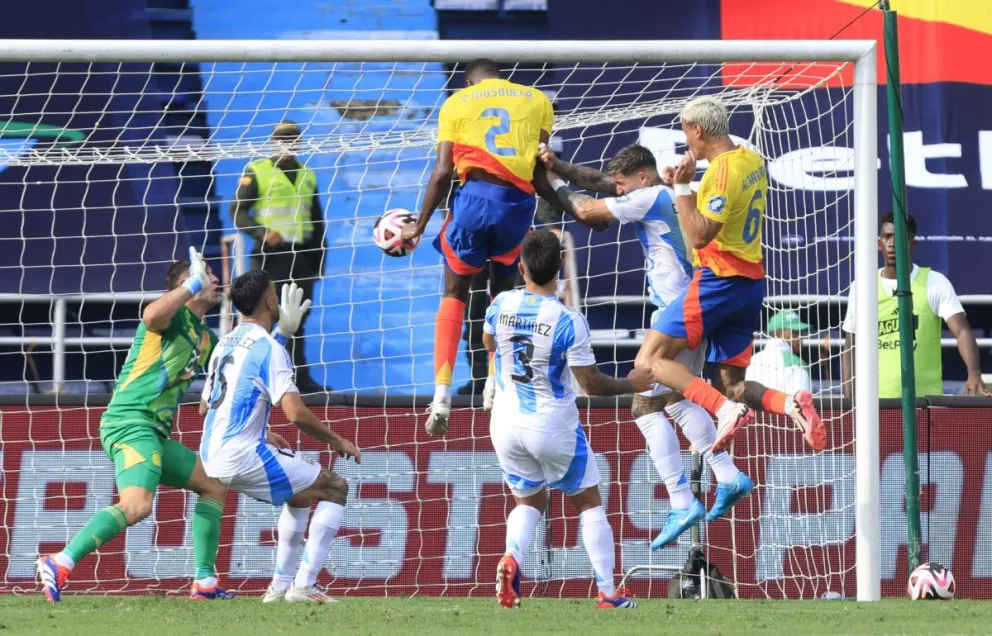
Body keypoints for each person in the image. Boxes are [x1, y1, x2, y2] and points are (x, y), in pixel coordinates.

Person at [540, 143, 752, 550]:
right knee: (673, 399)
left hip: (679, 308)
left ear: (641, 177)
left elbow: (587, 211)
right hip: (700, 301)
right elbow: (601, 183)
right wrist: (560, 165)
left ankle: (682, 499)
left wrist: (550, 180)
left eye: (622, 184)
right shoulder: (671, 193)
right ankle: (727, 475)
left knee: (644, 400)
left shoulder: (651, 195)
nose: (618, 192)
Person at [37, 247, 232, 602]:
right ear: (185, 284)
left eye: (213, 276)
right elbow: (150, 314)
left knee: (214, 486)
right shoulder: (169, 319)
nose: (215, 279)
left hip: (154, 432)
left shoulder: (206, 339)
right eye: (207, 275)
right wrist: (192, 285)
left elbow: (234, 373)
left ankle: (204, 583)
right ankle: (60, 560)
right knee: (138, 505)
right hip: (130, 421)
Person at [633, 96, 826, 456]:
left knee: (649, 362)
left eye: (686, 133)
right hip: (749, 285)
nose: (686, 141)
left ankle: (724, 412)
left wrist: (683, 188)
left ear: (698, 130)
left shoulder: (721, 172)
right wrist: (685, 186)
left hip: (717, 282)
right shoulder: (751, 158)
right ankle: (789, 404)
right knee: (732, 386)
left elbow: (699, 234)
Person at [480, 230, 651, 609]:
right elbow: (591, 384)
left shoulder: (500, 304)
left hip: (505, 423)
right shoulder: (568, 320)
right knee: (589, 502)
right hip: (551, 424)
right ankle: (607, 592)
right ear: (560, 265)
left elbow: (489, 343)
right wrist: (630, 382)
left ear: (520, 266)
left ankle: (511, 557)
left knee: (527, 501)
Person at [401, 58, 558, 435]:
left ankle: (441, 392)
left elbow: (442, 173)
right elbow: (541, 169)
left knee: (454, 293)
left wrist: (419, 225)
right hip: (517, 206)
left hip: (473, 200)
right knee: (502, 293)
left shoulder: (458, 102)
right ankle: (493, 381)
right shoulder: (537, 100)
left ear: (470, 81)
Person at [199, 271, 361, 604]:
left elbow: (207, 406)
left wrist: (262, 430)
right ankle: (305, 585)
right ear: (271, 302)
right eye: (274, 293)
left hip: (212, 452)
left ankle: (279, 589)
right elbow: (296, 414)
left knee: (301, 495)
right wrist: (337, 441)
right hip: (241, 455)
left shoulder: (224, 344)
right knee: (335, 487)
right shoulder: (269, 349)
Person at [841, 213, 989, 398]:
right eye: (887, 237)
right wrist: (849, 399)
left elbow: (962, 332)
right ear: (879, 244)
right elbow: (850, 346)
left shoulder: (934, 282)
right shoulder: (863, 286)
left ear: (913, 245)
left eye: (900, 237)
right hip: (875, 405)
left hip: (925, 403)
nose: (892, 243)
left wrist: (974, 374)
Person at [231, 121, 326, 393]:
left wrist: (319, 260)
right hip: (270, 257)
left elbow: (317, 220)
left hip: (302, 255)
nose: (287, 145)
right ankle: (259, 376)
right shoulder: (257, 171)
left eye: (292, 140)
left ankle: (298, 376)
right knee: (265, 315)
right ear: (273, 142)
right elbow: (237, 212)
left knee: (297, 317)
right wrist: (262, 233)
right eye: (282, 140)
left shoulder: (308, 174)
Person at [746, 310, 813, 394]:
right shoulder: (797, 363)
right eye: (795, 333)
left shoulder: (752, 360)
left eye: (801, 333)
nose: (800, 337)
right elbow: (801, 403)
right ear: (777, 334)